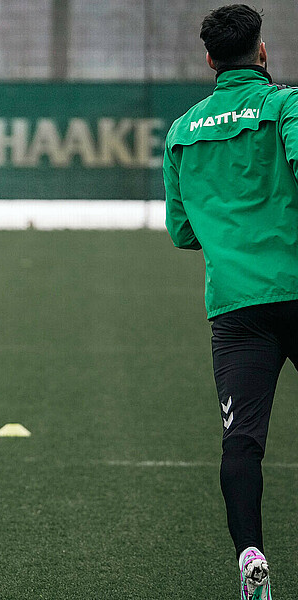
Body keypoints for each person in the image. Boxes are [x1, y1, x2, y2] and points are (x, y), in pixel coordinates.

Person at [163, 5, 298, 600]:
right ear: (262, 53)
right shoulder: (285, 105)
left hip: (237, 307)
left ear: (211, 61)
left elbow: (182, 231)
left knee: (242, 441)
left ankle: (251, 561)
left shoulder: (182, 131)